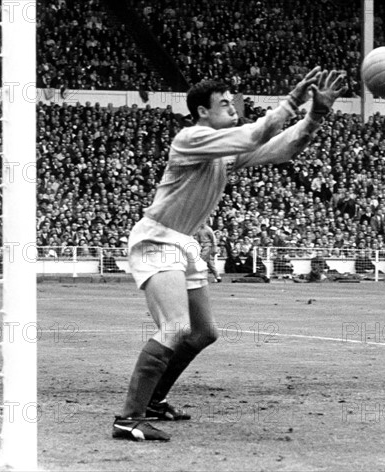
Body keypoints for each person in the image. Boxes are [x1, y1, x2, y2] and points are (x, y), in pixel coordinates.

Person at [114, 67, 346, 441]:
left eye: (233, 101)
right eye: (224, 104)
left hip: (183, 240)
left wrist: (316, 114)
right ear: (203, 112)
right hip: (157, 239)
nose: (233, 107)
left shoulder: (224, 152)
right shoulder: (191, 138)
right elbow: (257, 132)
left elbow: (284, 146)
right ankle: (128, 418)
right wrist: (292, 101)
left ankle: (154, 401)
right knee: (175, 327)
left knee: (203, 333)